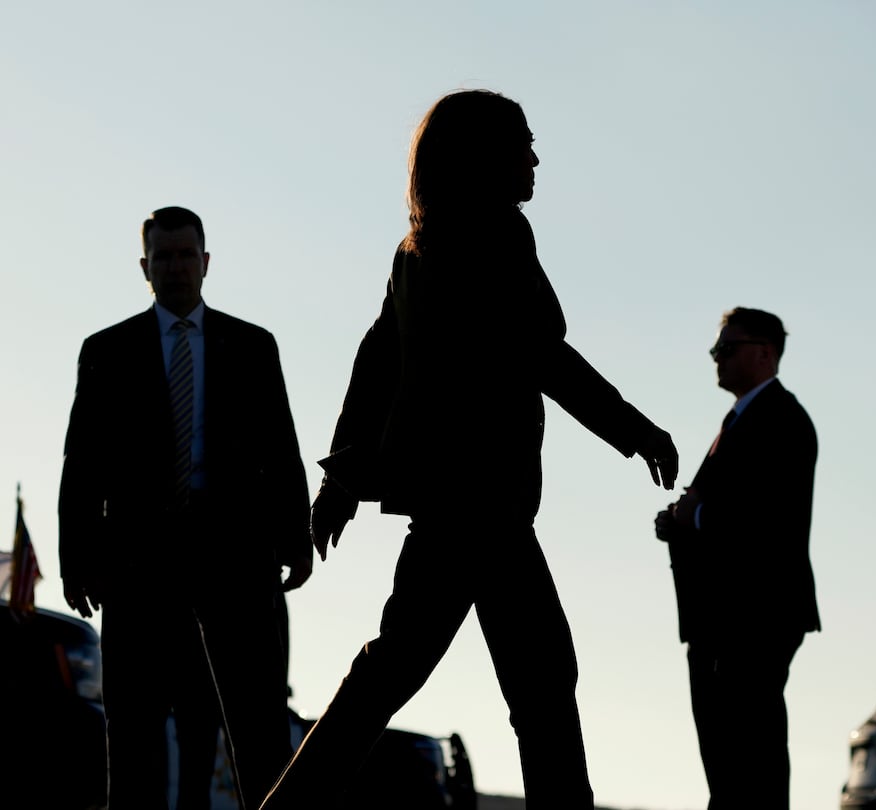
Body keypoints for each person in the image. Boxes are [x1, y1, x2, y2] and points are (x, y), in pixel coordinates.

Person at [259, 88, 679, 810]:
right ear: (487, 156)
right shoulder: (496, 234)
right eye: (524, 143)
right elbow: (540, 354)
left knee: (428, 671)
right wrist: (635, 428)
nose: (536, 159)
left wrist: (340, 486)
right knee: (534, 684)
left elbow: (376, 364)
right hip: (483, 505)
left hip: (462, 505)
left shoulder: (419, 247)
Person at [58, 205, 312, 809]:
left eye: (185, 255)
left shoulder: (252, 347)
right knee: (135, 739)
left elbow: (281, 449)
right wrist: (77, 561)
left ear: (206, 262)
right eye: (162, 257)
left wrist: (296, 540)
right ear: (145, 267)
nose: (175, 267)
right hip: (137, 570)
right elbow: (82, 466)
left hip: (234, 566)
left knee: (253, 737)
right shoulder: (107, 351)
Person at [654, 307, 819, 809]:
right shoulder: (743, 420)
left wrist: (693, 520)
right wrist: (681, 521)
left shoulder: (782, 420)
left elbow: (768, 518)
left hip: (754, 615)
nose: (717, 359)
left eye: (726, 349)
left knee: (751, 756)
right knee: (728, 764)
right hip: (721, 619)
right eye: (716, 350)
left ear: (764, 353)